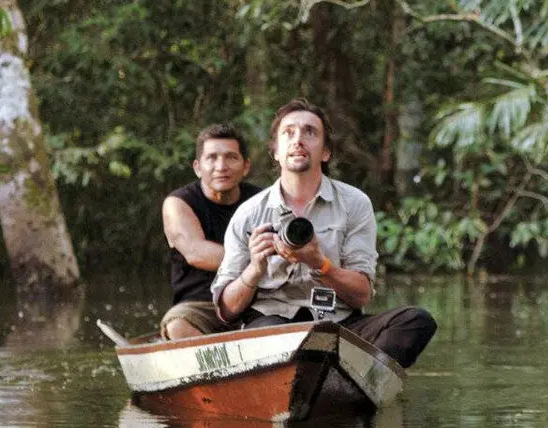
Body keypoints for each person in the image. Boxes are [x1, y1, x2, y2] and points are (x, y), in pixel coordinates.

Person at [212, 99, 436, 369]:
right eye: (289, 133)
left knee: (416, 321)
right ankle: (334, 375)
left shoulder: (354, 203)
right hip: (272, 324)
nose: (298, 140)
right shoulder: (249, 213)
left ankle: (353, 381)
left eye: (310, 132)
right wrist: (254, 268)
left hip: (338, 324)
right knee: (270, 340)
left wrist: (320, 263)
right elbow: (226, 311)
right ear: (275, 151)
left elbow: (361, 295)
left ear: (325, 152)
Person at [159, 123, 262, 339]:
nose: (221, 166)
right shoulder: (178, 203)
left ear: (246, 166)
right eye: (212, 158)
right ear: (197, 167)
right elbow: (197, 253)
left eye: (231, 157)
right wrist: (258, 259)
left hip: (256, 298)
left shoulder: (262, 201)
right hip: (202, 304)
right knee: (177, 326)